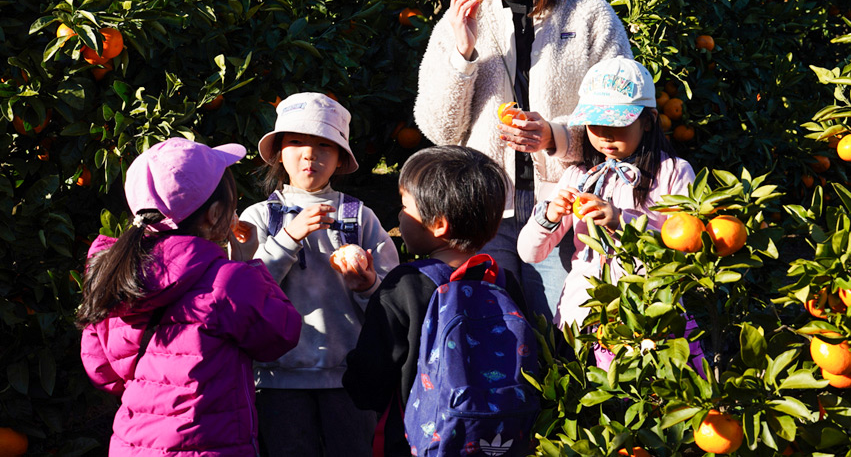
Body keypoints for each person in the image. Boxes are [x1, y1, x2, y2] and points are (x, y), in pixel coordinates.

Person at [413, 0, 633, 322]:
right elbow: (439, 130)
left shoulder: (589, 15)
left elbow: (623, 113)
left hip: (568, 208)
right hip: (486, 211)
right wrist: (462, 54)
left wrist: (555, 136)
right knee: (494, 337)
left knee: (567, 331)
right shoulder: (462, 20)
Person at [78, 137, 302, 456]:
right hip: (210, 446)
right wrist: (249, 265)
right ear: (214, 214)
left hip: (132, 445)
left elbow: (103, 373)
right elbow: (282, 333)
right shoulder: (228, 282)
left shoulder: (115, 275)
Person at [234, 92, 400, 457]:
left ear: (340, 158)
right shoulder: (258, 218)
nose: (310, 153)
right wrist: (288, 238)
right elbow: (244, 295)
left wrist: (368, 285)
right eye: (296, 142)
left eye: (324, 144)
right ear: (279, 152)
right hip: (277, 380)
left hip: (348, 379)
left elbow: (391, 300)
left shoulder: (359, 217)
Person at [342, 145, 527, 457]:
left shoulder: (405, 284)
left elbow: (369, 382)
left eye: (405, 206)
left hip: (415, 443)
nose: (400, 214)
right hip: (499, 439)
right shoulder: (504, 282)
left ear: (438, 224)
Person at [517, 58, 698, 369]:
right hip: (583, 320)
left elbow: (686, 252)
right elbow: (529, 252)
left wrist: (621, 221)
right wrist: (549, 214)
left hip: (649, 317)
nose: (604, 134)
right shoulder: (578, 176)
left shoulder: (672, 173)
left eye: (617, 124)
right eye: (594, 124)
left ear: (648, 121)